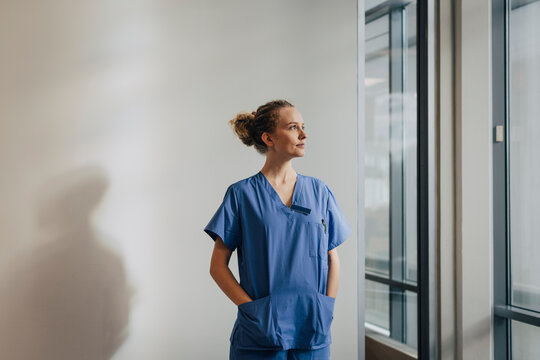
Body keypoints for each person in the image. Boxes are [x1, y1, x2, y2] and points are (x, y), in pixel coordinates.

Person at [204, 99, 352, 360]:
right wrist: (253, 311)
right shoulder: (242, 195)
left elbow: (332, 257)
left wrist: (326, 307)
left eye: (303, 127)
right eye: (294, 127)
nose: (303, 134)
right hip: (260, 334)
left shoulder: (319, 192)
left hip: (313, 329)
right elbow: (217, 266)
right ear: (269, 138)